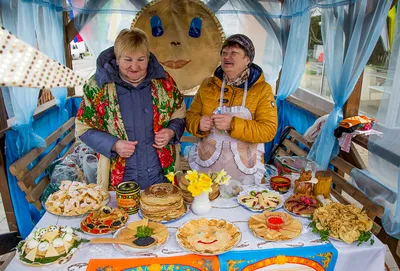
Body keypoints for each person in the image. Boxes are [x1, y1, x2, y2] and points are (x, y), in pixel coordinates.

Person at [76, 28, 185, 190]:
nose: (135, 66)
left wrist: (170, 132)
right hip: (120, 179)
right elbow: (83, 128)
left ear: (148, 58)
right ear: (117, 58)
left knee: (163, 210)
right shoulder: (98, 87)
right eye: (128, 59)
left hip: (161, 174)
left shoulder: (164, 82)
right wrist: (113, 144)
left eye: (141, 59)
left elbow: (180, 113)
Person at [186, 34, 277, 184]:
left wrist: (233, 124)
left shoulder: (262, 90)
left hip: (245, 171)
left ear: (248, 59)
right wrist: (198, 124)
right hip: (208, 166)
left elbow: (268, 130)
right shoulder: (207, 85)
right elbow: (191, 116)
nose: (227, 57)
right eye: (224, 53)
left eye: (234, 53)